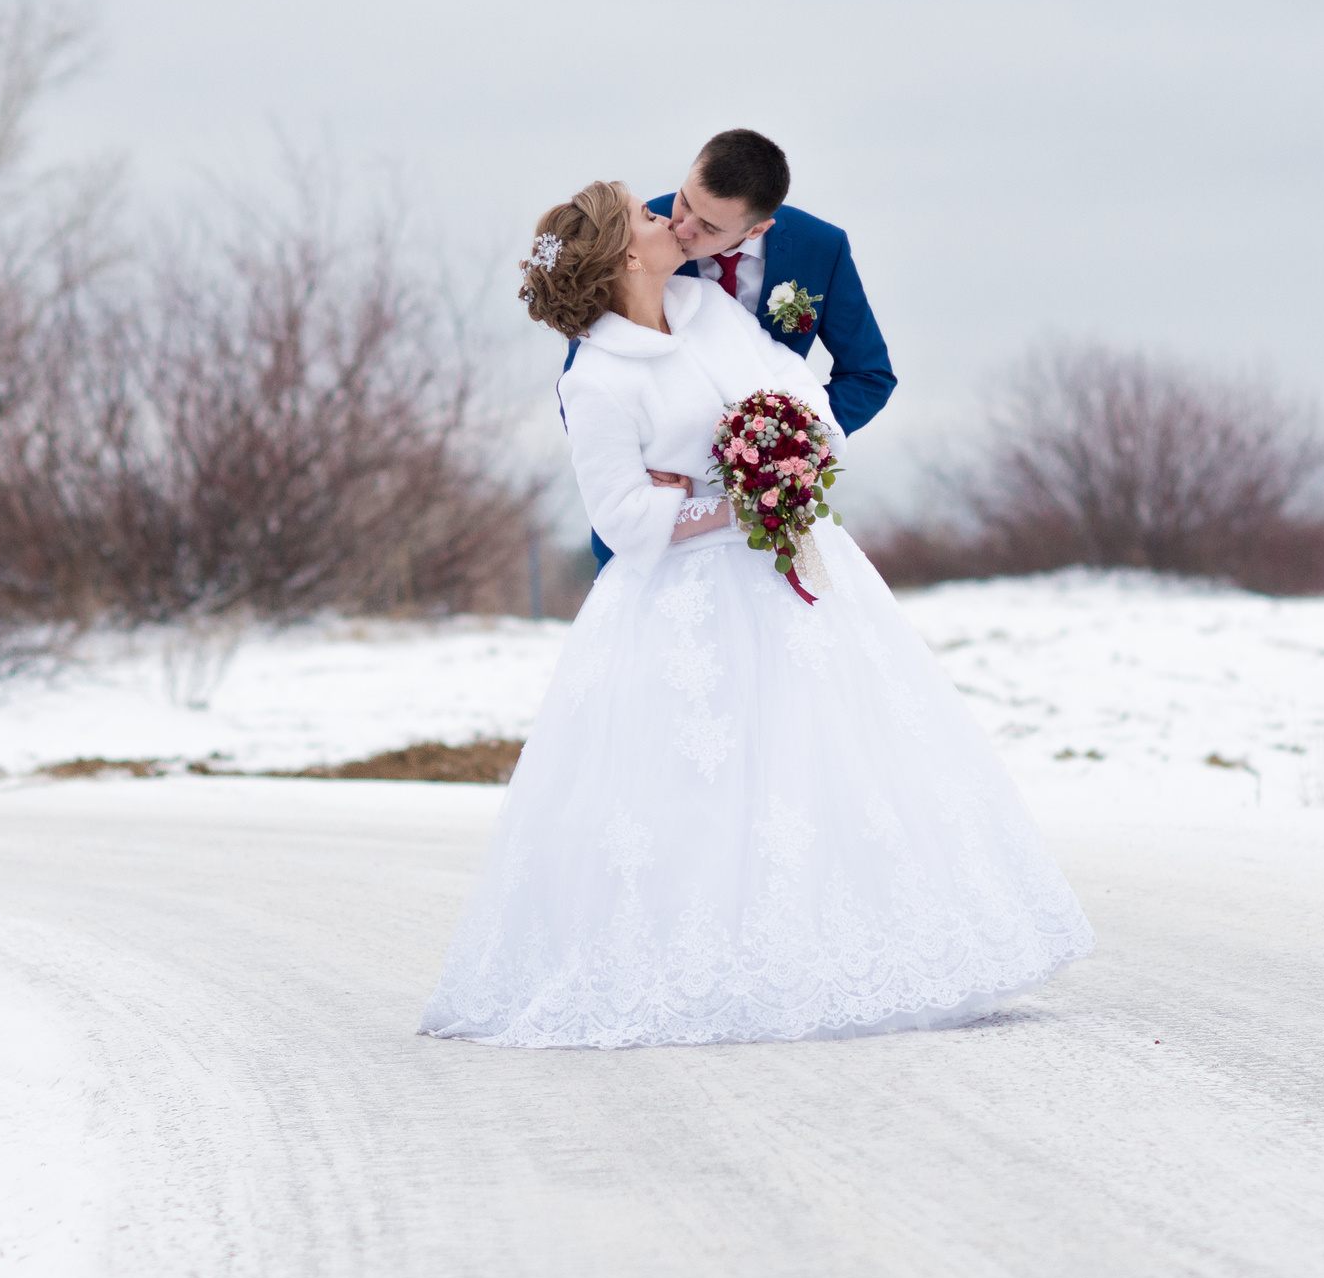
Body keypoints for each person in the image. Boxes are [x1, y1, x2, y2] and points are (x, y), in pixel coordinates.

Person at [419, 182, 1092, 1048]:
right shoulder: (598, 377)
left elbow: (793, 388)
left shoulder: (707, 307)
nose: (669, 216)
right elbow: (625, 520)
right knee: (703, 785)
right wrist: (731, 504)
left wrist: (793, 450)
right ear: (628, 254)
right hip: (683, 608)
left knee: (828, 758)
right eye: (649, 217)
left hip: (796, 572)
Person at [569, 129, 894, 569]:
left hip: (771, 521)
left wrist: (786, 449)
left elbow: (868, 373)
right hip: (665, 525)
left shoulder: (820, 248)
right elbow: (591, 374)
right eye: (685, 201)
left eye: (708, 227)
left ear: (758, 227)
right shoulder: (637, 234)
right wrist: (635, 467)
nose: (681, 227)